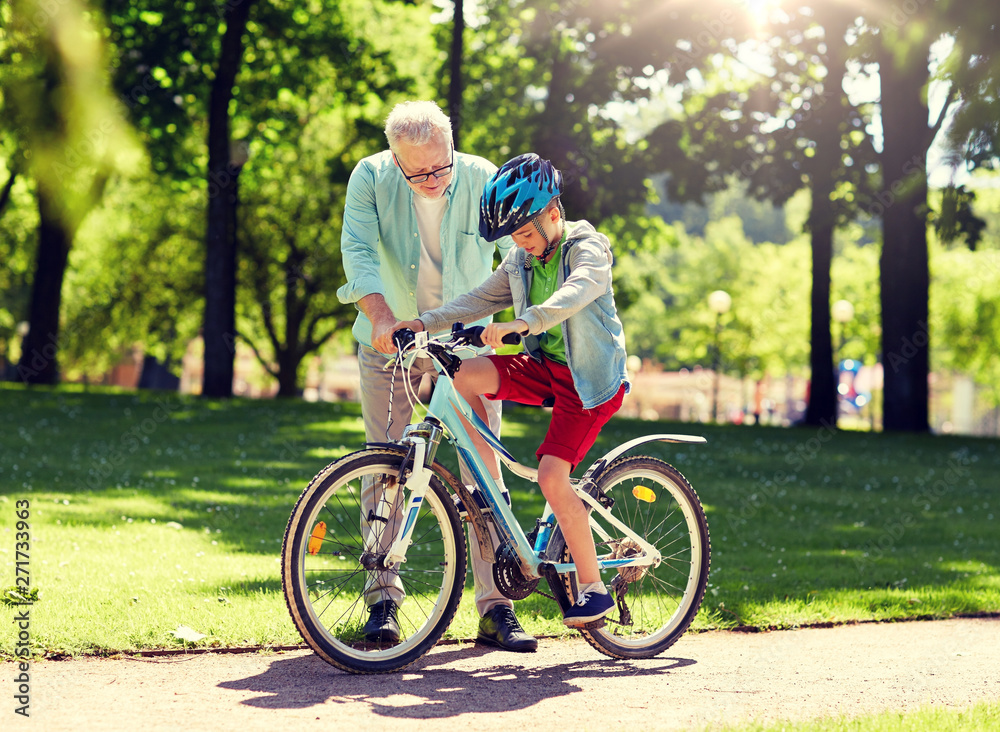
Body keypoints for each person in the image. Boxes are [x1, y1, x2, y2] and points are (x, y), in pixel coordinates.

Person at [393, 153, 630, 627]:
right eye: (513, 237)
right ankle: (484, 481)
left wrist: (524, 322)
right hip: (544, 366)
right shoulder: (522, 260)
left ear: (553, 215)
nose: (518, 244)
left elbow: (577, 292)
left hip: (588, 386)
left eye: (524, 232)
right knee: (458, 373)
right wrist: (423, 322)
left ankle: (593, 589)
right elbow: (479, 297)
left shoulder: (588, 247)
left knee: (551, 478)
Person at [336, 101, 537, 652]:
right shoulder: (371, 178)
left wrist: (517, 325)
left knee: (482, 471)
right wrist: (379, 317)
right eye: (418, 172)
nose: (433, 181)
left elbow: (516, 256)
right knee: (384, 468)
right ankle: (382, 599)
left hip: (463, 343)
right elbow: (357, 250)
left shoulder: (482, 177)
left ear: (452, 147)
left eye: (440, 167)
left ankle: (496, 608)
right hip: (391, 344)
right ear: (396, 159)